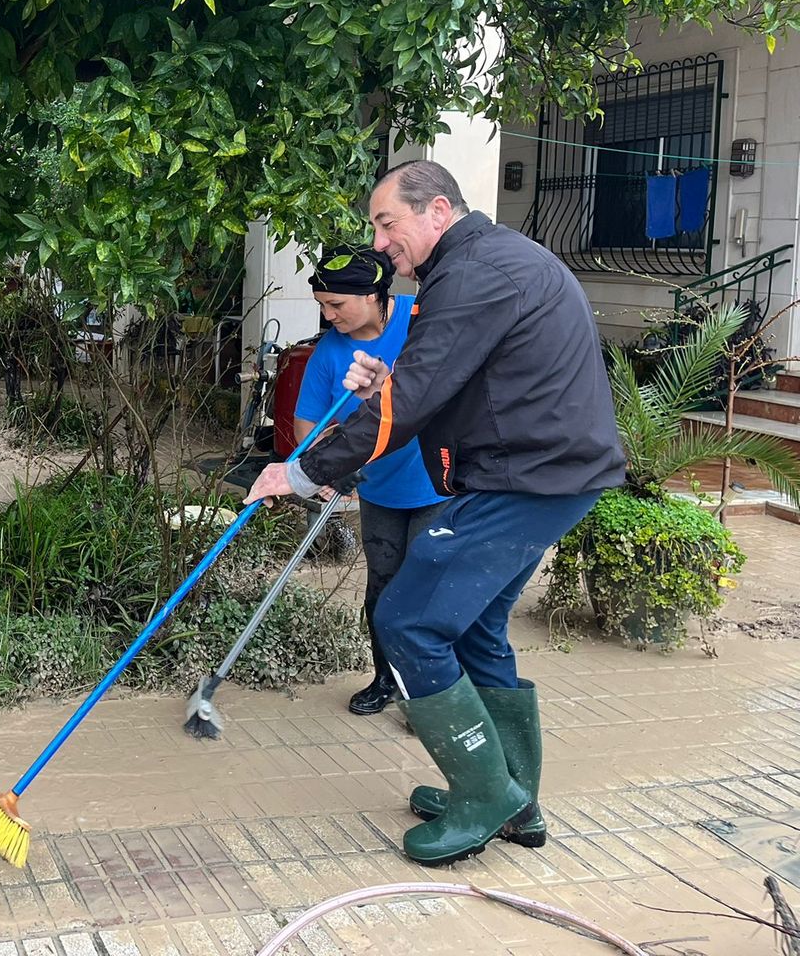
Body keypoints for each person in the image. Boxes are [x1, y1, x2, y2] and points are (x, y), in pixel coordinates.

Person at [246, 161, 624, 867]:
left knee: (408, 621)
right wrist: (388, 385)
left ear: (438, 211)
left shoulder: (474, 274)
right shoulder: (482, 265)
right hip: (544, 474)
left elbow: (415, 403)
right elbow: (453, 383)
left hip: (527, 480)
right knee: (474, 628)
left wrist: (298, 471)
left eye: (387, 222)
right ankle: (516, 799)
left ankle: (484, 796)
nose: (379, 242)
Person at [293, 245, 446, 717]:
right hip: (379, 490)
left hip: (437, 486)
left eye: (335, 304)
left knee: (427, 591)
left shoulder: (421, 319)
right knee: (382, 587)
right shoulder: (328, 352)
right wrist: (322, 468)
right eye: (322, 305)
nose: (328, 315)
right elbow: (308, 425)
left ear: (372, 295)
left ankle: (430, 697)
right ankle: (385, 680)